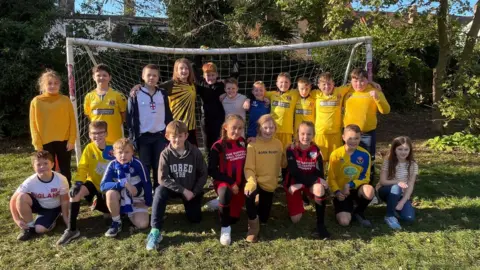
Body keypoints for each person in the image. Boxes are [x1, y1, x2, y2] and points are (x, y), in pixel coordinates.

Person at [146, 120, 208, 250]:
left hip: (191, 190)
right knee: (159, 190)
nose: (177, 140)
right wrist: (182, 190)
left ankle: (197, 204)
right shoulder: (165, 154)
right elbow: (162, 178)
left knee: (195, 219)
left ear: (186, 136)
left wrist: (195, 191)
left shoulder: (195, 152)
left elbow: (203, 174)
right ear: (167, 137)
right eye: (173, 137)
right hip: (174, 189)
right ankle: (155, 231)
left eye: (180, 136)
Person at [56, 120, 115, 245]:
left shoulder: (113, 147)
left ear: (106, 134)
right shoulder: (89, 148)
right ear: (89, 134)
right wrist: (77, 182)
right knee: (75, 194)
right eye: (94, 133)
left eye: (101, 133)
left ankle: (110, 214)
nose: (97, 136)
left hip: (109, 186)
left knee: (110, 207)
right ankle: (71, 229)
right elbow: (83, 167)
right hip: (93, 182)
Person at [127, 64, 173, 190]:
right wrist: (132, 137)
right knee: (145, 165)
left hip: (160, 136)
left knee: (159, 164)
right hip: (143, 136)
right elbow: (130, 118)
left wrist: (169, 133)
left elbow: (168, 115)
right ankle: (146, 191)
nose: (151, 78)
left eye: (154, 75)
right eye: (148, 75)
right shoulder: (135, 95)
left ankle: (159, 190)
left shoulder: (163, 93)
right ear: (143, 76)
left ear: (158, 77)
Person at [29, 69, 76, 185]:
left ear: (59, 85)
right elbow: (33, 124)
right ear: (43, 85)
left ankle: (66, 193)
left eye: (55, 83)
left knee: (65, 169)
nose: (53, 86)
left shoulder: (65, 100)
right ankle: (51, 193)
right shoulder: (36, 101)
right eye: (49, 83)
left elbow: (72, 121)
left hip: (64, 140)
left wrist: (72, 139)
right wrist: (37, 144)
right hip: (45, 142)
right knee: (48, 169)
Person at [284, 121, 330, 239]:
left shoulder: (316, 150)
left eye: (309, 134)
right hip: (294, 182)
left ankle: (320, 225)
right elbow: (294, 172)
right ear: (297, 134)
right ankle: (300, 200)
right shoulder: (291, 149)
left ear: (313, 135)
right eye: (302, 133)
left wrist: (310, 183)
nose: (305, 137)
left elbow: (319, 173)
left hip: (308, 182)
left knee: (319, 188)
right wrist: (302, 184)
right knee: (296, 219)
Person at [10, 151, 69, 241]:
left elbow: (65, 201)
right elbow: (13, 200)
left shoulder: (61, 179)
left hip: (54, 207)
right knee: (21, 197)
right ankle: (29, 228)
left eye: (46, 163)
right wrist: (17, 219)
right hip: (40, 205)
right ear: (34, 167)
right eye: (38, 164)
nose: (42, 167)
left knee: (40, 230)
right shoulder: (30, 181)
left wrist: (66, 219)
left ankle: (57, 218)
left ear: (52, 164)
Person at [343, 68, 390, 182]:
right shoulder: (347, 91)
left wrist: (377, 98)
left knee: (368, 159)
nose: (358, 84)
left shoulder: (374, 91)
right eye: (355, 81)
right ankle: (350, 182)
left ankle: (368, 183)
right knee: (349, 159)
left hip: (367, 134)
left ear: (367, 80)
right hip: (349, 135)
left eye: (362, 81)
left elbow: (386, 110)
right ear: (351, 81)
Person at [100, 138, 152, 237]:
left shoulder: (138, 164)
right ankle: (116, 222)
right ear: (114, 154)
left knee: (143, 225)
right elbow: (103, 186)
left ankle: (127, 213)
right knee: (110, 193)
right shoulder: (112, 165)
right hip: (120, 197)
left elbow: (147, 183)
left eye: (127, 152)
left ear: (133, 152)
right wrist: (124, 184)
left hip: (136, 198)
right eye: (120, 152)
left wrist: (147, 202)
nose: (123, 155)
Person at [244, 114, 284, 243]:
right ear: (259, 128)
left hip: (270, 184)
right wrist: (251, 182)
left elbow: (283, 163)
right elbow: (249, 167)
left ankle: (259, 201)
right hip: (256, 181)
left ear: (275, 128)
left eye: (271, 127)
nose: (268, 130)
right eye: (265, 127)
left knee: (265, 218)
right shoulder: (252, 144)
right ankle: (253, 226)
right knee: (249, 195)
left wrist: (291, 152)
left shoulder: (278, 144)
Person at [208, 114, 247, 245]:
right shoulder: (217, 146)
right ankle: (225, 229)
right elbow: (212, 171)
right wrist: (231, 182)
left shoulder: (243, 142)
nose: (237, 131)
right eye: (234, 127)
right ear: (225, 127)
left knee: (235, 218)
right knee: (225, 192)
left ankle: (220, 202)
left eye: (240, 128)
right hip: (224, 183)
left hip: (240, 185)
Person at [328, 124, 375, 227]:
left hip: (356, 189)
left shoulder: (365, 155)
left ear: (360, 138)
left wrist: (350, 184)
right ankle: (346, 208)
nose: (353, 141)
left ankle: (359, 211)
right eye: (350, 138)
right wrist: (337, 192)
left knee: (369, 190)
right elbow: (331, 178)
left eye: (356, 138)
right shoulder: (336, 155)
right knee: (344, 222)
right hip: (341, 193)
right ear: (343, 137)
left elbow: (366, 178)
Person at [378, 136, 418, 230]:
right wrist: (398, 182)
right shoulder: (388, 162)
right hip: (386, 191)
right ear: (394, 149)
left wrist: (402, 202)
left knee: (409, 219)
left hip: (401, 194)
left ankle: (395, 207)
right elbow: (383, 181)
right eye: (400, 149)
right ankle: (389, 216)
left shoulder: (413, 165)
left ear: (410, 150)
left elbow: (411, 185)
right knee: (396, 187)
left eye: (406, 149)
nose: (403, 152)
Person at [84, 64, 127, 144]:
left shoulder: (118, 95)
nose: (101, 78)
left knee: (115, 156)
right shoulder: (89, 96)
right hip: (97, 139)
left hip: (115, 137)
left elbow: (124, 115)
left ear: (109, 77)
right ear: (93, 77)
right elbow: (88, 115)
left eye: (104, 75)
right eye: (98, 75)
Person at [195, 62, 227, 152]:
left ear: (217, 75)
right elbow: (194, 69)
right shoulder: (201, 85)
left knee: (220, 142)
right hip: (206, 119)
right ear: (204, 76)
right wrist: (200, 55)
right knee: (207, 145)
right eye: (208, 75)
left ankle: (220, 164)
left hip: (219, 119)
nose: (211, 77)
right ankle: (209, 164)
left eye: (213, 75)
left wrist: (235, 59)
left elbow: (234, 77)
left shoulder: (221, 86)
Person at [265, 73, 299, 148]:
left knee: (286, 153)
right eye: (281, 82)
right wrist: (247, 100)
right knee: (273, 152)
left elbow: (305, 88)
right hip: (273, 130)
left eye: (286, 82)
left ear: (290, 83)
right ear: (277, 83)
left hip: (287, 131)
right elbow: (258, 93)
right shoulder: (272, 94)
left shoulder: (294, 94)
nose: (284, 84)